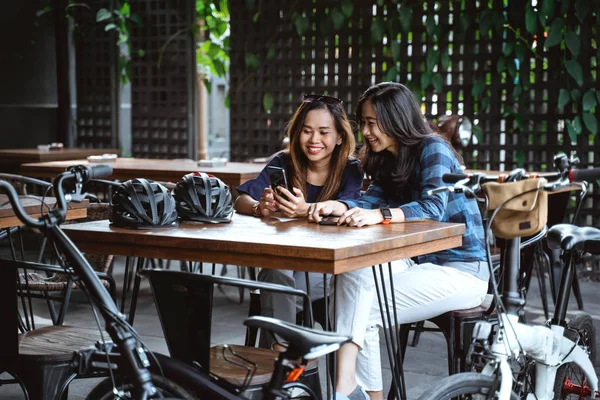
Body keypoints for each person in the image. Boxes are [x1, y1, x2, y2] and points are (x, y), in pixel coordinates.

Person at [308, 82, 490, 400]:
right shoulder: (388, 159)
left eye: (371, 123)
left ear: (395, 120)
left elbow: (434, 207)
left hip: (461, 269)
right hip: (418, 262)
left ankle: (350, 390)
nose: (364, 131)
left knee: (357, 308)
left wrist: (383, 215)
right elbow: (368, 204)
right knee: (356, 272)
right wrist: (342, 206)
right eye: (362, 122)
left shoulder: (434, 149)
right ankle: (352, 390)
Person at [235, 94, 364, 347]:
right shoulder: (283, 162)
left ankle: (279, 356)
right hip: (286, 259)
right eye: (307, 131)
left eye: (324, 132)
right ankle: (285, 357)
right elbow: (241, 200)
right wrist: (259, 207)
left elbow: (350, 207)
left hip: (328, 267)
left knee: (279, 289)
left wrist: (304, 210)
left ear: (339, 137)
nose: (314, 139)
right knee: (275, 271)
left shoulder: (351, 170)